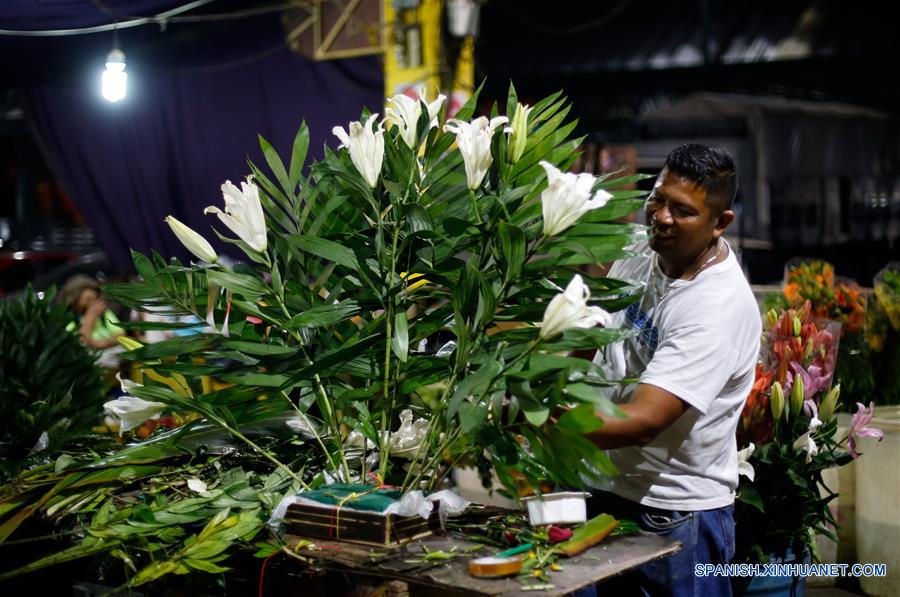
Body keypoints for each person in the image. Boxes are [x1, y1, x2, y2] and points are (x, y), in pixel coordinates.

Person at [580, 144, 761, 597]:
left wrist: (539, 418)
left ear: (720, 224)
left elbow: (643, 422)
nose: (661, 217)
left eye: (682, 211)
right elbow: (594, 332)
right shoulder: (643, 250)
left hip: (675, 517)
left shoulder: (714, 307)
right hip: (605, 488)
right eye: (657, 199)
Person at [58, 274, 125, 368]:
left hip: (108, 350)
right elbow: (82, 342)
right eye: (88, 300)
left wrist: (102, 343)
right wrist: (91, 316)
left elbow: (120, 335)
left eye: (95, 299)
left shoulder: (104, 313)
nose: (93, 303)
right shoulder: (71, 319)